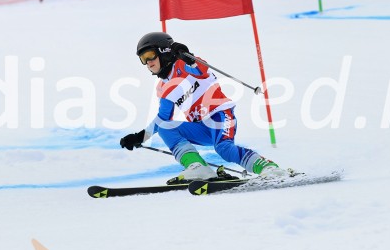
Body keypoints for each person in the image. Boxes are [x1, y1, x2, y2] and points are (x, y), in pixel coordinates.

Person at [119, 32, 283, 183]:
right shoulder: (162, 87)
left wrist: (187, 56)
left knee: (224, 149)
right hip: (202, 126)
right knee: (165, 127)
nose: (148, 62)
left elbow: (202, 68)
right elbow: (162, 118)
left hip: (220, 114)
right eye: (143, 58)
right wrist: (140, 137)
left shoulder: (183, 65)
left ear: (164, 52)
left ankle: (268, 168)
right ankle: (198, 167)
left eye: (150, 55)